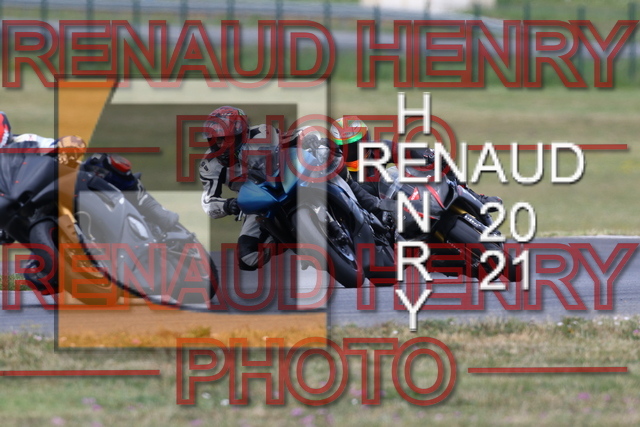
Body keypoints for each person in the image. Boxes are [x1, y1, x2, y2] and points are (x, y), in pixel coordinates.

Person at [329, 116, 503, 207]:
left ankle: (472, 197)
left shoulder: (379, 149)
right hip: (375, 220)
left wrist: (429, 156)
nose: (357, 148)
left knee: (436, 161)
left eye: (360, 141)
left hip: (404, 204)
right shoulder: (338, 174)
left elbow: (408, 151)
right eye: (350, 146)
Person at [199, 106, 278, 271]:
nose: (220, 145)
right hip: (258, 204)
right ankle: (284, 241)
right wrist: (228, 205)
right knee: (247, 258)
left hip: (286, 183)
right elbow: (207, 201)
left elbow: (293, 140)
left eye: (225, 139)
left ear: (240, 135)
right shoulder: (209, 165)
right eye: (215, 140)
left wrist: (308, 140)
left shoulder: (263, 134)